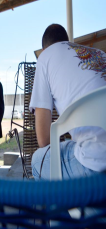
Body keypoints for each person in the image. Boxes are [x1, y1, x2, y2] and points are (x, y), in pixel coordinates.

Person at [30, 24, 106, 180]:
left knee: (38, 160)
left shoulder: (45, 58)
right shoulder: (99, 53)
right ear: (68, 42)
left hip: (95, 163)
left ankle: (74, 202)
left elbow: (44, 139)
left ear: (44, 50)